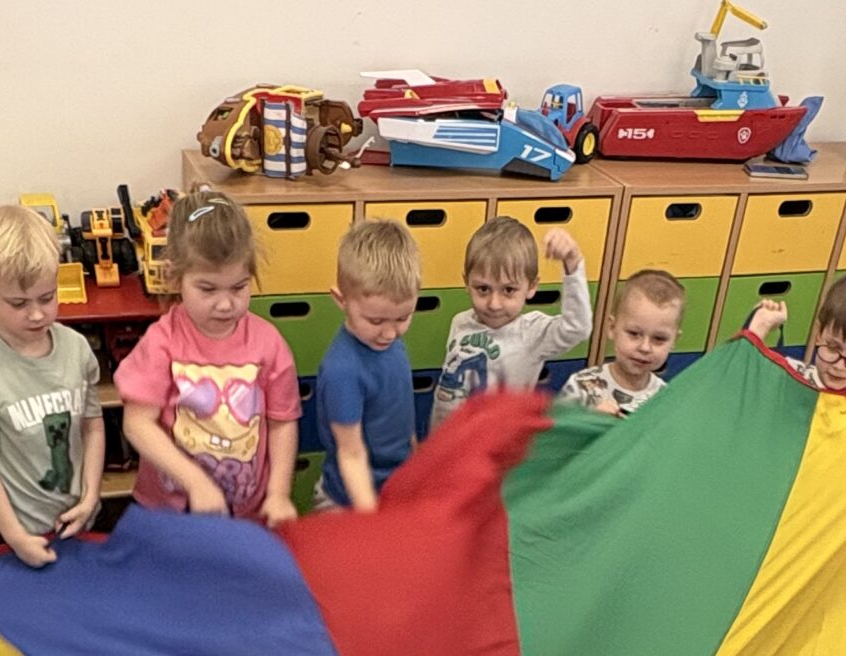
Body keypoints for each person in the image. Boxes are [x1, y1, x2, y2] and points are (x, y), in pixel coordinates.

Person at [116, 188, 301, 522]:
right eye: (208, 289)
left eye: (239, 287)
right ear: (175, 276)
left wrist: (278, 493)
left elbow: (282, 423)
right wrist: (196, 483)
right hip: (170, 512)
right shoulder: (162, 342)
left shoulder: (268, 344)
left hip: (245, 511)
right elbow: (138, 424)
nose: (226, 304)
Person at [0, 203, 104, 566]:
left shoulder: (76, 348)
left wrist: (91, 495)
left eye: (47, 297)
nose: (37, 313)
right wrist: (16, 538)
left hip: (76, 516)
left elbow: (92, 426)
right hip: (7, 531)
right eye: (18, 303)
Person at [431, 220, 590, 424]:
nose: (494, 304)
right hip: (450, 437)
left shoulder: (532, 333)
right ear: (467, 283)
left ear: (531, 287)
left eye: (508, 290)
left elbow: (578, 328)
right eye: (483, 289)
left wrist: (573, 265)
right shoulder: (460, 322)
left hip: (499, 440)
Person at [314, 219, 422, 511]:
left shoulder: (390, 343)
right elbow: (351, 454)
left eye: (403, 318)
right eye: (375, 320)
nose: (390, 333)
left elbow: (403, 417)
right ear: (341, 300)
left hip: (395, 490)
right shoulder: (342, 371)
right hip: (350, 501)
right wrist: (371, 519)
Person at [559, 269, 683, 418]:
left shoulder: (665, 398)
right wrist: (591, 419)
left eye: (659, 339)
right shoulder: (581, 387)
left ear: (674, 340)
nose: (645, 348)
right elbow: (558, 429)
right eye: (634, 334)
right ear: (612, 328)